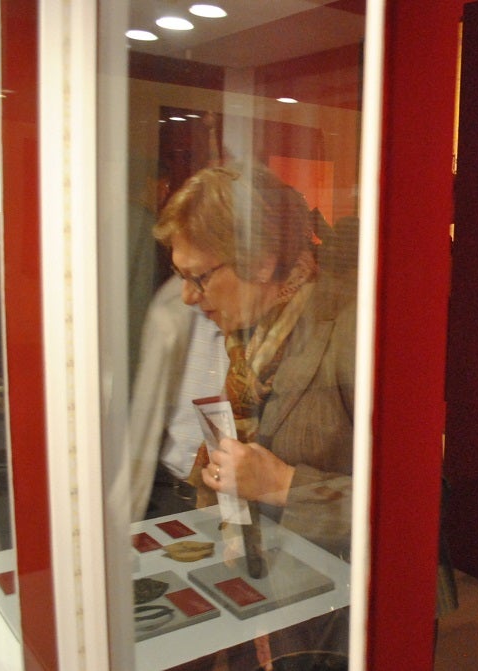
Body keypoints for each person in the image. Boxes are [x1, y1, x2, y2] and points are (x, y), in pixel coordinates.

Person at [153, 164, 356, 666]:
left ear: (263, 263)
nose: (186, 296)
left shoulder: (350, 327)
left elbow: (415, 507)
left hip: (347, 615)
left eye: (199, 276)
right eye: (180, 276)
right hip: (273, 599)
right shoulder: (250, 336)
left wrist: (282, 484)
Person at [128, 274, 228, 521]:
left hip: (230, 498)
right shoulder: (173, 304)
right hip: (167, 489)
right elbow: (146, 412)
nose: (188, 293)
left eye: (200, 277)